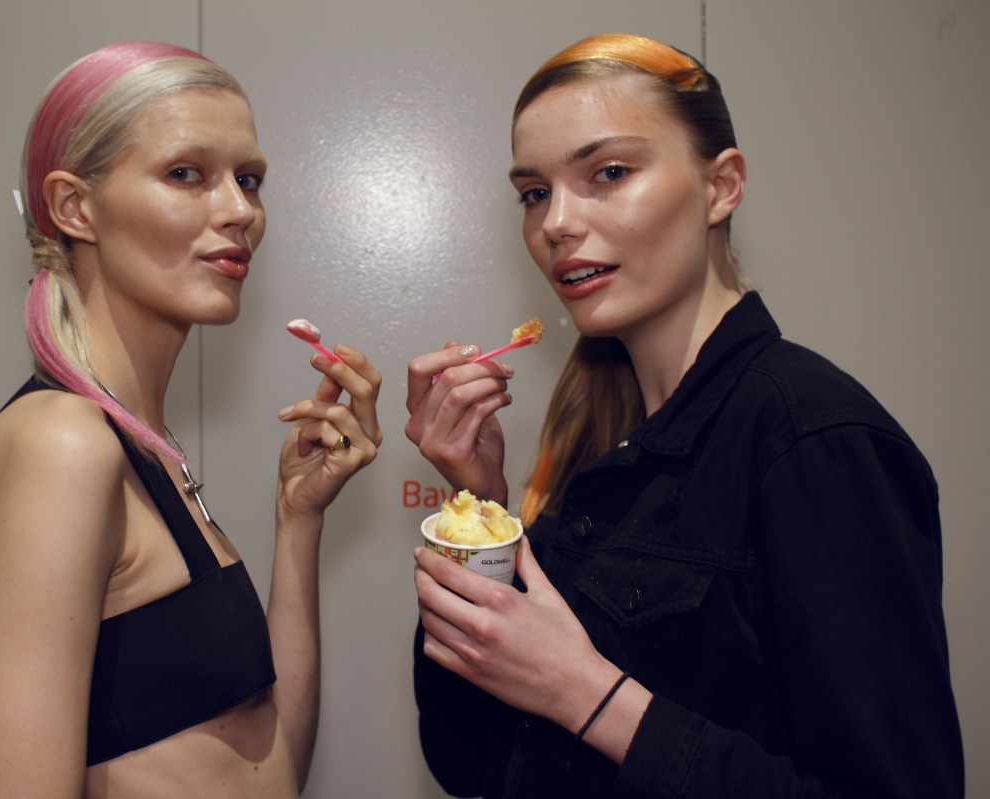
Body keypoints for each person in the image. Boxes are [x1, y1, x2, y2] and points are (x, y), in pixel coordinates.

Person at [406, 32, 962, 798]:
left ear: (721, 186)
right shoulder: (597, 441)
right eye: (534, 193)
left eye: (608, 173)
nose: (556, 222)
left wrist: (590, 695)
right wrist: (482, 514)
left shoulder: (816, 439)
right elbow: (468, 759)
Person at [0, 41, 381, 798]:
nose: (241, 211)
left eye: (248, 179)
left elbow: (265, 758)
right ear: (74, 207)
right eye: (187, 174)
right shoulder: (62, 443)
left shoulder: (142, 447)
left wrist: (299, 520)